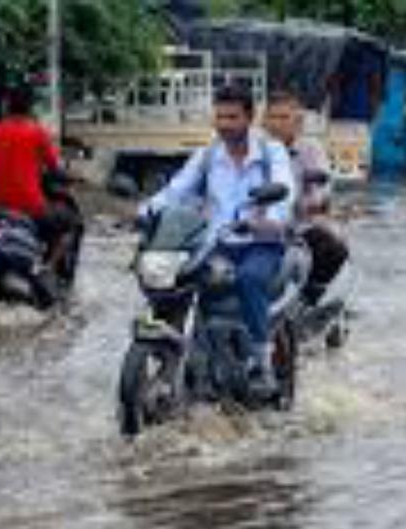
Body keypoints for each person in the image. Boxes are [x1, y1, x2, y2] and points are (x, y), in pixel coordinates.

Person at [142, 83, 296, 395]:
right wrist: (146, 212)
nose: (224, 125)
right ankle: (179, 347)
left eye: (232, 117)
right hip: (217, 243)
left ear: (249, 118)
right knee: (175, 277)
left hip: (260, 243)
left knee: (250, 278)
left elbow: (284, 189)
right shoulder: (208, 155)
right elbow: (177, 190)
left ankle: (260, 361)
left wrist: (267, 220)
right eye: (220, 117)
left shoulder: (271, 152)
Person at [0, 85, 79, 274]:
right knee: (69, 225)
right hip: (31, 207)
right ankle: (48, 269)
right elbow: (55, 169)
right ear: (30, 108)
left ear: (6, 106)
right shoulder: (37, 133)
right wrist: (75, 177)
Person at [262, 90, 350, 302]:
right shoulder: (255, 149)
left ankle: (311, 294)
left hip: (299, 224)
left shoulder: (311, 150)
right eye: (273, 117)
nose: (277, 124)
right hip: (260, 225)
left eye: (284, 118)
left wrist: (305, 203)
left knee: (331, 248)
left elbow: (322, 190)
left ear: (297, 122)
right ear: (264, 121)